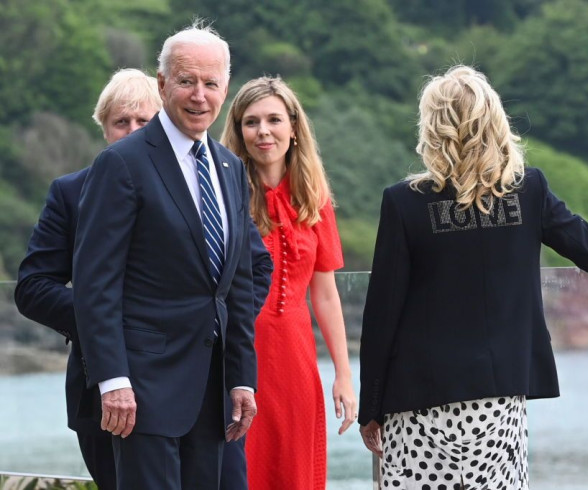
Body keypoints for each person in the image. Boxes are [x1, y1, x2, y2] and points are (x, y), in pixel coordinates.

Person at [357, 65, 588, 489]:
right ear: (494, 122)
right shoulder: (527, 190)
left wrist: (370, 407)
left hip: (417, 398)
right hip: (496, 399)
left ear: (432, 127)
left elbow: (382, 313)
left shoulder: (403, 202)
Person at [71, 22, 272, 490]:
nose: (199, 95)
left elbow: (237, 283)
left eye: (211, 83)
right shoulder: (122, 163)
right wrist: (112, 379)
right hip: (142, 391)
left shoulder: (229, 169)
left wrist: (243, 378)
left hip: (214, 391)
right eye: (186, 81)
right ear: (162, 84)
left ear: (225, 87)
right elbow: (95, 285)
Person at [14, 68, 162, 489]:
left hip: (185, 382)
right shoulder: (70, 191)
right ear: (104, 128)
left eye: (145, 122)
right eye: (121, 122)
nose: (132, 131)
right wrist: (107, 323)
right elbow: (33, 287)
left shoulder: (192, 187)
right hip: (98, 390)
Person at [219, 76, 357, 489]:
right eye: (251, 122)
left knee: (294, 471)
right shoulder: (224, 195)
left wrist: (344, 375)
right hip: (236, 355)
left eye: (274, 119)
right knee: (242, 469)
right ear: (239, 132)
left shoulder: (314, 199)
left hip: (296, 360)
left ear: (294, 127)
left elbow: (326, 295)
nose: (263, 131)